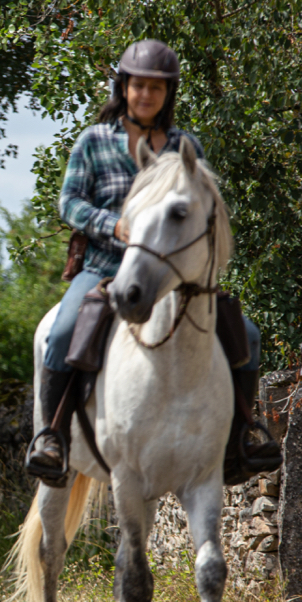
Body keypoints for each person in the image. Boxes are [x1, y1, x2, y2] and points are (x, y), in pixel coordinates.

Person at [25, 39, 279, 485]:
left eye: (156, 89)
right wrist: (112, 224)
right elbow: (68, 203)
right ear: (123, 88)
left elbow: (204, 208)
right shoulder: (94, 141)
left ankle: (243, 438)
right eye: (138, 86)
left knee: (250, 336)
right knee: (63, 331)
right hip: (104, 268)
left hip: (176, 276)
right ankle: (53, 437)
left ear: (168, 95)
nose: (145, 95)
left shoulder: (185, 147)